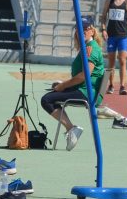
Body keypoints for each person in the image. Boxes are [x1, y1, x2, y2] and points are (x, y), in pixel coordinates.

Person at [40, 18, 105, 151]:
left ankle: (71, 128)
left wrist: (63, 86)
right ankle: (71, 129)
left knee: (46, 100)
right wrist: (63, 84)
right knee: (52, 96)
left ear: (92, 31)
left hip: (87, 93)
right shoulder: (87, 47)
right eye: (79, 29)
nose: (82, 31)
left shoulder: (91, 49)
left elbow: (84, 75)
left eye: (86, 28)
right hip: (84, 89)